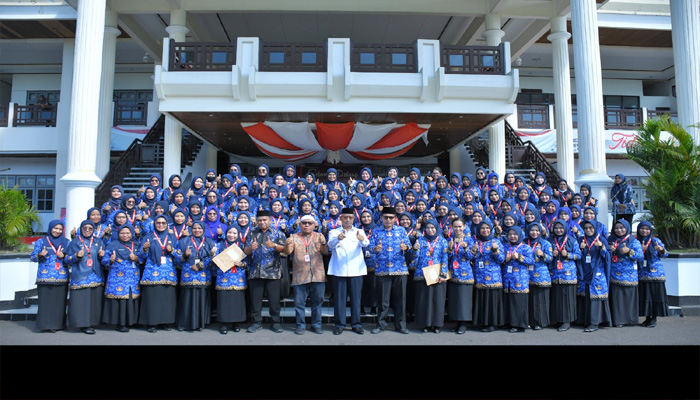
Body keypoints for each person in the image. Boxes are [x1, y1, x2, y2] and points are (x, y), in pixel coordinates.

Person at [368, 206, 412, 335]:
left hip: (400, 269)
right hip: (382, 269)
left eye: (391, 217)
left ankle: (401, 325)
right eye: (386, 217)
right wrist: (375, 249)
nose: (388, 220)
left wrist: (405, 247)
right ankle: (381, 324)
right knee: (383, 301)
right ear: (381, 218)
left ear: (395, 219)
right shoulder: (376, 231)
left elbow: (409, 246)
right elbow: (369, 248)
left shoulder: (401, 230)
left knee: (400, 300)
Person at [284, 215, 329, 335]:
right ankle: (300, 325)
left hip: (317, 275)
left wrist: (324, 243)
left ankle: (316, 325)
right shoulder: (294, 237)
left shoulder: (319, 236)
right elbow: (287, 252)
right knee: (299, 303)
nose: (307, 225)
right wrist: (287, 244)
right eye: (304, 223)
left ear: (314, 225)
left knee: (317, 302)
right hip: (300, 276)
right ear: (300, 225)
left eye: (310, 223)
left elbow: (325, 252)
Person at [243, 210, 287, 333]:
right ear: (256, 221)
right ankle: (256, 322)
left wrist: (274, 245)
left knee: (274, 300)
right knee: (255, 300)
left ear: (270, 220)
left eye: (264, 220)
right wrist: (251, 248)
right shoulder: (251, 233)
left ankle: (275, 322)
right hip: (255, 271)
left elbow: (285, 250)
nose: (262, 222)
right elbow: (245, 251)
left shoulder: (278, 233)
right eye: (260, 220)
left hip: (273, 271)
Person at [327, 207, 369, 335]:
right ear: (341, 218)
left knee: (356, 299)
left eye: (350, 217)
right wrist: (338, 239)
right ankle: (339, 324)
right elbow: (330, 245)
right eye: (345, 217)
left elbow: (366, 244)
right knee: (340, 299)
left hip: (356, 270)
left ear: (353, 219)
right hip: (339, 269)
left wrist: (361, 239)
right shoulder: (334, 232)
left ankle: (356, 324)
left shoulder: (359, 231)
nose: (347, 220)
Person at [138, 215, 179, 332]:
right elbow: (141, 256)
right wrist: (144, 249)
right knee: (152, 299)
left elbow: (180, 256)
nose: (161, 225)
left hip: (168, 273)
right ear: (154, 224)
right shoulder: (148, 237)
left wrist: (173, 251)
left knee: (167, 299)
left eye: (163, 223)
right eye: (158, 223)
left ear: (167, 224)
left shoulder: (172, 237)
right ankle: (151, 323)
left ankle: (165, 322)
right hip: (152, 272)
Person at [64, 220, 106, 334]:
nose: (87, 230)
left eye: (90, 228)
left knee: (93, 301)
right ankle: (82, 324)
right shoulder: (75, 242)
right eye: (85, 228)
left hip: (96, 275)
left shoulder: (98, 241)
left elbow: (104, 258)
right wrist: (76, 256)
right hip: (80, 275)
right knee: (81, 301)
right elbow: (66, 259)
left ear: (93, 230)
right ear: (81, 229)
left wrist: (102, 256)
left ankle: (92, 322)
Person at [101, 225, 144, 332]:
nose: (125, 235)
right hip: (117, 277)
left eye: (127, 233)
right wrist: (110, 260)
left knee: (131, 298)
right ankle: (120, 323)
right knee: (120, 300)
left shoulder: (136, 244)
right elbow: (104, 260)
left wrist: (136, 258)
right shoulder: (112, 245)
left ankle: (131, 321)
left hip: (132, 277)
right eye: (122, 233)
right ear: (118, 234)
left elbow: (143, 258)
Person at [176, 221, 217, 331]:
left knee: (201, 298)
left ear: (203, 229)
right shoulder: (183, 241)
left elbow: (214, 258)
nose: (197, 230)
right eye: (194, 228)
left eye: (199, 228)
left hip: (203, 275)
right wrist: (185, 255)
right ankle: (185, 323)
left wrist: (200, 265)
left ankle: (200, 323)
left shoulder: (210, 242)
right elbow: (176, 258)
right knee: (187, 299)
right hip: (188, 274)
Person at [30, 220, 70, 332]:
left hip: (61, 277)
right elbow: (32, 257)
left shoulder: (66, 242)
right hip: (44, 277)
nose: (58, 231)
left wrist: (64, 256)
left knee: (59, 303)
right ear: (50, 228)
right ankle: (44, 325)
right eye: (55, 228)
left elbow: (70, 259)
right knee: (45, 302)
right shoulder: (41, 241)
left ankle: (57, 325)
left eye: (60, 229)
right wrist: (40, 254)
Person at [411, 218, 449, 333]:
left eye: (432, 228)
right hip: (423, 274)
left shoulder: (442, 241)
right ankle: (425, 324)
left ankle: (437, 325)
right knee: (424, 301)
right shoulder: (420, 241)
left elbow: (445, 258)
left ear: (437, 228)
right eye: (428, 228)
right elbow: (414, 259)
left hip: (437, 275)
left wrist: (443, 274)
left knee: (437, 301)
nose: (430, 230)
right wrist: (414, 250)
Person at [575, 219, 612, 332]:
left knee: (595, 297)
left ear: (595, 228)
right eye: (586, 228)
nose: (588, 230)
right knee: (584, 296)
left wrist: (601, 247)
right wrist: (580, 249)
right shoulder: (580, 240)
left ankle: (594, 322)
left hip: (597, 272)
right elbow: (576, 255)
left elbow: (608, 256)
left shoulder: (602, 239)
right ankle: (584, 320)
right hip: (583, 271)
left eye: (591, 228)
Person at [471, 219, 506, 332]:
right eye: (482, 228)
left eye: (487, 228)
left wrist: (495, 251)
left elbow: (502, 259)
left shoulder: (496, 242)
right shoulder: (476, 242)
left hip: (493, 277)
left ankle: (493, 323)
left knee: (491, 301)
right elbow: (471, 258)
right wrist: (473, 251)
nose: (485, 230)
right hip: (479, 276)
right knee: (481, 300)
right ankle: (482, 322)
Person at [607, 219, 644, 328]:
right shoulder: (610, 239)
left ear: (627, 228)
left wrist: (629, 251)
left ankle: (629, 320)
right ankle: (618, 320)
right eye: (617, 228)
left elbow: (640, 256)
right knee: (617, 299)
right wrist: (609, 250)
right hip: (614, 274)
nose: (619, 230)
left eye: (622, 228)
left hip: (629, 275)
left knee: (628, 298)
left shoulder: (633, 241)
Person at [548, 220, 582, 332]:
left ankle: (567, 321)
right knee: (557, 298)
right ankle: (558, 319)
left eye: (561, 228)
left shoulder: (572, 240)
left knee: (567, 298)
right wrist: (552, 254)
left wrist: (568, 255)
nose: (558, 230)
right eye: (556, 228)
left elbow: (579, 255)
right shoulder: (550, 240)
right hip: (555, 274)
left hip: (568, 274)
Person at [214, 225, 248, 334]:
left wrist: (242, 264)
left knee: (237, 301)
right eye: (229, 232)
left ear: (238, 235)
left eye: (234, 233)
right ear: (225, 233)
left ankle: (236, 323)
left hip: (238, 278)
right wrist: (213, 254)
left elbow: (248, 262)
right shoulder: (219, 245)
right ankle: (224, 323)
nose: (231, 235)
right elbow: (214, 261)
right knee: (224, 301)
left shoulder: (242, 246)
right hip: (224, 278)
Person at [636, 221, 670, 328]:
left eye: (647, 229)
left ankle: (654, 318)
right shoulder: (636, 241)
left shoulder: (655, 241)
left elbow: (666, 254)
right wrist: (641, 250)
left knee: (655, 297)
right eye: (642, 228)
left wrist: (661, 250)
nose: (644, 231)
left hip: (655, 274)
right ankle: (647, 318)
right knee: (646, 296)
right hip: (642, 274)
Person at [502, 226, 535, 332]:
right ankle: (509, 322)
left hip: (520, 278)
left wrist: (519, 257)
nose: (512, 236)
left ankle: (519, 324)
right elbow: (500, 260)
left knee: (518, 301)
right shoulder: (505, 246)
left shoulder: (525, 247)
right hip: (508, 278)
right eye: (510, 234)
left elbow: (531, 261)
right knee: (509, 301)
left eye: (515, 234)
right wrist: (505, 259)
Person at [446, 217, 473, 334]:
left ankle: (463, 323)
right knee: (455, 300)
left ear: (464, 227)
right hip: (453, 273)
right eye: (455, 227)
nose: (457, 229)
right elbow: (447, 257)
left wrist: (466, 247)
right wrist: (450, 249)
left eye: (460, 226)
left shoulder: (470, 240)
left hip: (465, 274)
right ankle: (457, 322)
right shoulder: (449, 239)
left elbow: (471, 257)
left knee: (463, 300)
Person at [525, 222, 552, 330]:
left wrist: (543, 254)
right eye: (532, 230)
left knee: (540, 300)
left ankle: (540, 322)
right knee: (529, 300)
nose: (534, 233)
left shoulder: (545, 243)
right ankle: (529, 321)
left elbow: (550, 259)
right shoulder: (524, 242)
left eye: (537, 230)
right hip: (526, 275)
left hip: (541, 275)